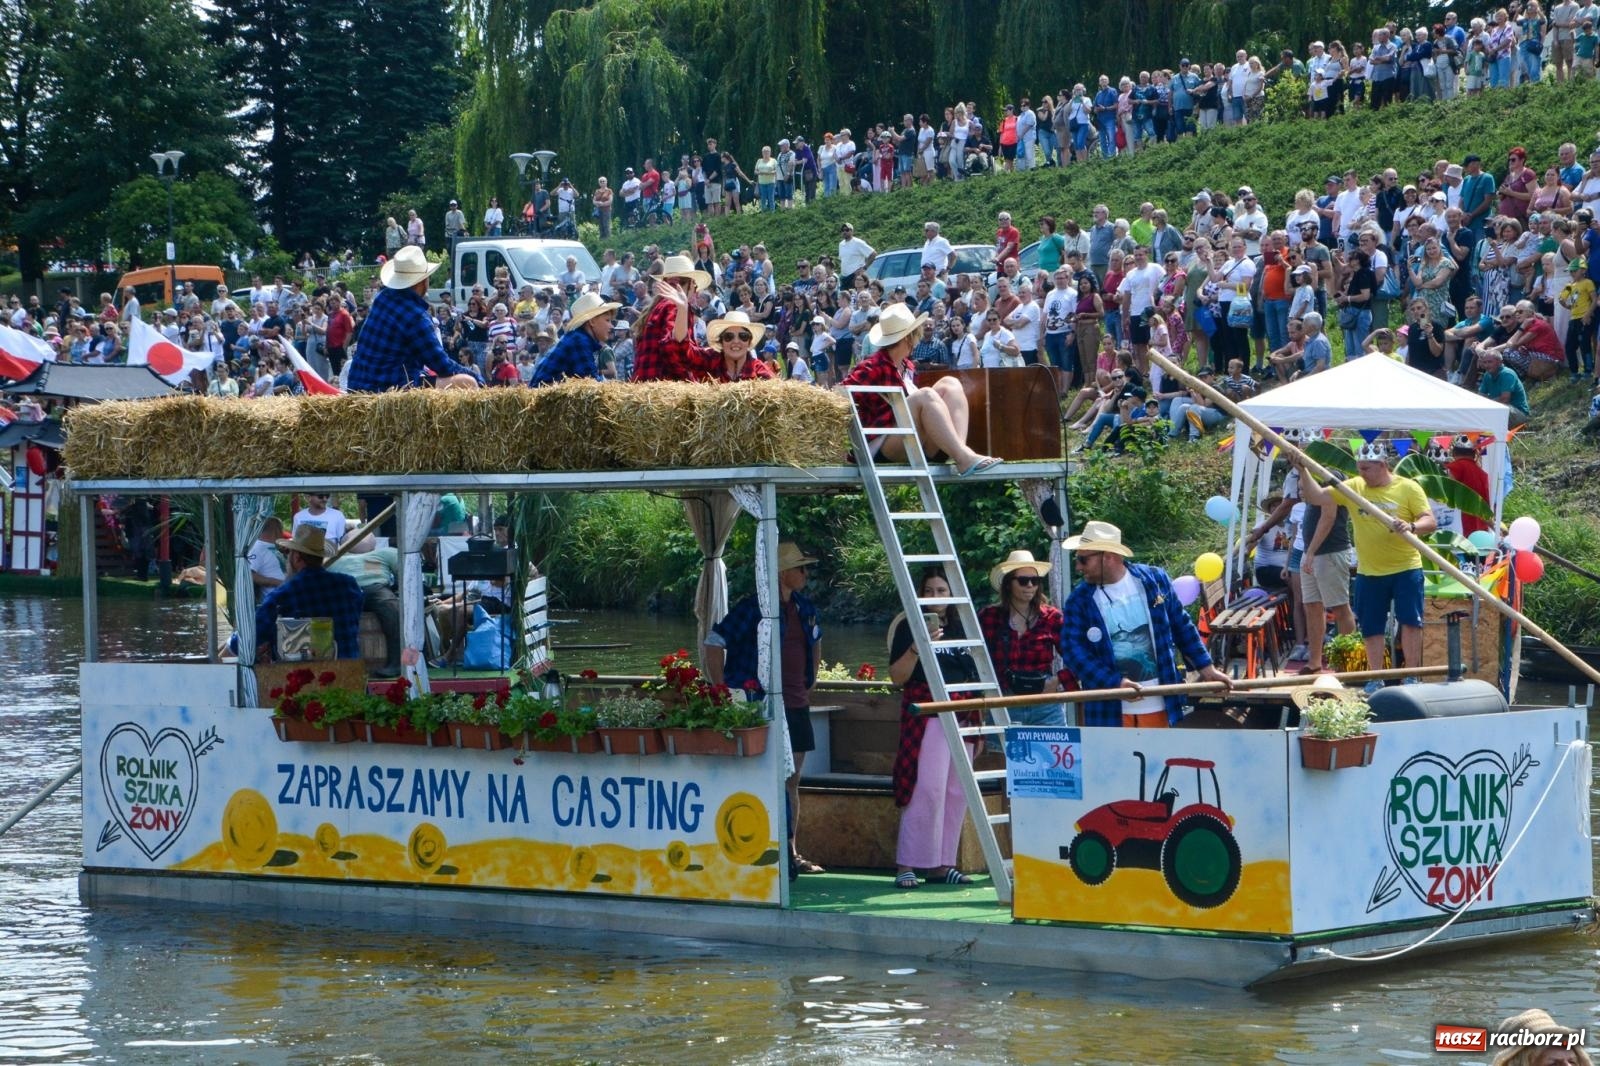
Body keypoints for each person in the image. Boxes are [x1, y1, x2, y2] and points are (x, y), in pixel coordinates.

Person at [704, 542, 824, 878]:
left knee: (792, 779)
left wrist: (810, 679)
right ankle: (764, 849)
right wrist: (722, 690)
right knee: (762, 776)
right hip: (760, 703)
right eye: (800, 568)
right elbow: (714, 641)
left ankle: (790, 851)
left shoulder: (805, 607)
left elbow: (816, 640)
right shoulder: (753, 608)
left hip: (796, 702)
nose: (805, 573)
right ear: (783, 573)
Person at [1058, 521, 1231, 726]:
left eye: (1083, 559)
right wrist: (1114, 683)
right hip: (1108, 711)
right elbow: (1072, 651)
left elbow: (1181, 624)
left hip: (1162, 704)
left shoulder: (1154, 579)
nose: (1078, 566)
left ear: (1108, 557)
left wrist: (1206, 668)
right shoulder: (1079, 600)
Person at [1298, 441, 1436, 692]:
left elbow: (1429, 521)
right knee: (1371, 626)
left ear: (1382, 465)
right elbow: (1315, 497)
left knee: (1410, 622)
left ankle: (1412, 675)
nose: (1362, 473)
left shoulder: (1408, 487)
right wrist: (1303, 469)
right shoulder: (1353, 487)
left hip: (1406, 567)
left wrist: (1412, 527)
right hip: (1370, 571)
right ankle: (1375, 677)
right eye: (1359, 468)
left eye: (1366, 469)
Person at [888, 567, 981, 889]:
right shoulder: (908, 625)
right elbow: (897, 678)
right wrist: (917, 647)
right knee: (927, 788)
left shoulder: (964, 625)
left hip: (963, 712)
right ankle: (907, 864)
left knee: (956, 792)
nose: (936, 597)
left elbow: (976, 676)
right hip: (927, 713)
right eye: (930, 591)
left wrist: (978, 723)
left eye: (942, 591)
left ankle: (942, 864)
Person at [838, 304, 999, 476]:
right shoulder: (872, 366)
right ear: (909, 337)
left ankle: (959, 452)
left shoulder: (907, 365)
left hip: (912, 441)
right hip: (881, 447)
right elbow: (839, 395)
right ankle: (962, 456)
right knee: (926, 395)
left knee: (950, 383)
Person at [345, 247, 482, 392]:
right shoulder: (416, 316)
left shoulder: (381, 298)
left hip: (357, 387)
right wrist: (478, 378)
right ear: (422, 281)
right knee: (467, 382)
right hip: (390, 389)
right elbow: (442, 366)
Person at [978, 550, 1071, 728]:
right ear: (1008, 584)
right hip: (1004, 701)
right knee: (1001, 756)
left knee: (1052, 755)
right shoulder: (989, 616)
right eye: (1023, 580)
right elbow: (974, 658)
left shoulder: (1052, 617)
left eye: (1035, 581)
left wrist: (1057, 680)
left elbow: (1076, 655)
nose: (1030, 585)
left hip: (1045, 704)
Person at [254, 525, 364, 662]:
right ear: (321, 557)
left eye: (289, 553)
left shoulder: (285, 593)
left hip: (303, 677)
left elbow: (253, 635)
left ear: (297, 557)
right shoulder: (349, 584)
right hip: (351, 674)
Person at [1295, 452, 1356, 674]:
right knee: (1311, 605)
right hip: (1311, 552)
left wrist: (1311, 551)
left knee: (1339, 606)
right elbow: (1308, 497)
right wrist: (1302, 470)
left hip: (1330, 551)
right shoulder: (1310, 475)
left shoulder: (1332, 475)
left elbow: (1328, 516)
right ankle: (1314, 661)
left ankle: (1347, 662)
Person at [328, 530, 402, 677]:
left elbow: (405, 572)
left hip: (374, 588)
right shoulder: (332, 557)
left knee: (393, 610)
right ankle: (336, 662)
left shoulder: (385, 553)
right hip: (342, 590)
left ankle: (396, 663)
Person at [631, 255, 715, 381]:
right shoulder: (675, 307)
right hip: (663, 388)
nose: (695, 291)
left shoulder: (656, 307)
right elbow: (673, 347)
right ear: (691, 284)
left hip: (644, 385)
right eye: (695, 287)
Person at [527, 292, 621, 386]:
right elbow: (591, 383)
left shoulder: (578, 337)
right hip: (543, 397)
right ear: (592, 321)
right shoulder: (579, 341)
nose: (611, 326)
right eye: (607, 320)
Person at [704, 310, 776, 382]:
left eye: (743, 336)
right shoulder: (709, 368)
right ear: (721, 341)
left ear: (749, 341)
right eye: (728, 336)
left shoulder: (761, 373)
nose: (736, 341)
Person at [247, 517, 286, 590]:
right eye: (281, 528)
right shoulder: (256, 548)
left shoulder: (275, 547)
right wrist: (280, 583)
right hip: (277, 598)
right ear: (276, 529)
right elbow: (249, 574)